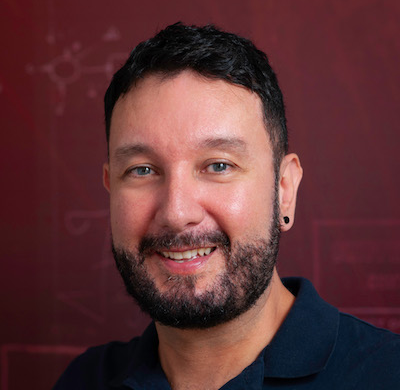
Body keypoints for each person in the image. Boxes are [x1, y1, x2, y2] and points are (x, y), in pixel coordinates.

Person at [54, 23, 400, 389]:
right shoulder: (84, 380)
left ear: (284, 189)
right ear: (111, 187)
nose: (177, 213)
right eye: (142, 170)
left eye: (219, 165)